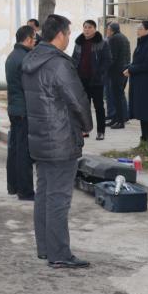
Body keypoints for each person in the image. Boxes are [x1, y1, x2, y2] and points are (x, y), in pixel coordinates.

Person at [23, 14, 92, 269]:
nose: (69, 38)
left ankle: (45, 247)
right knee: (59, 198)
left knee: (44, 193)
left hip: (40, 138)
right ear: (60, 34)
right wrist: (87, 125)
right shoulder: (59, 64)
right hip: (61, 138)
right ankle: (60, 253)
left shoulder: (31, 60)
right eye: (69, 33)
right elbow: (77, 99)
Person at [5, 25, 36, 200]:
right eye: (34, 38)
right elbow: (30, 87)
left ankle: (13, 186)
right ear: (28, 39)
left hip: (14, 108)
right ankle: (25, 191)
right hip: (24, 109)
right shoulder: (26, 58)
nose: (35, 42)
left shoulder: (12, 56)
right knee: (24, 152)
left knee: (15, 149)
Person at [71, 20, 112, 140]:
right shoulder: (78, 43)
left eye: (89, 27)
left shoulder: (102, 43)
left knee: (99, 107)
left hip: (96, 80)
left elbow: (107, 60)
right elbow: (74, 59)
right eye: (85, 27)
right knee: (84, 107)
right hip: (82, 80)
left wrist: (100, 73)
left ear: (95, 29)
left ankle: (101, 131)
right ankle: (85, 130)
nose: (87, 30)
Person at [123, 22, 148, 143]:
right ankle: (144, 139)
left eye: (140, 28)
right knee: (143, 113)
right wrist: (128, 67)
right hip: (141, 84)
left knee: (147, 113)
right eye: (137, 28)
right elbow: (138, 62)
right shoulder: (142, 43)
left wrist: (131, 69)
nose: (137, 30)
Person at [105, 23, 130, 129]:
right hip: (124, 71)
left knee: (117, 97)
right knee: (118, 96)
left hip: (116, 72)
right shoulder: (124, 38)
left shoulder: (113, 39)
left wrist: (104, 68)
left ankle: (120, 121)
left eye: (108, 29)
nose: (107, 31)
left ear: (112, 30)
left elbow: (112, 58)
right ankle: (116, 119)